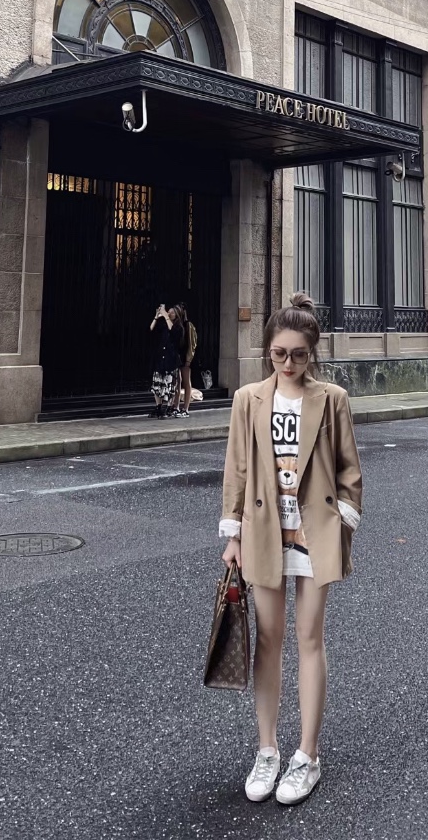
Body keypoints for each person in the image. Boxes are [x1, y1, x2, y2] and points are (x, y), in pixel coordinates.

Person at [219, 292, 363, 807]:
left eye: (298, 355)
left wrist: (343, 520)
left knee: (309, 638)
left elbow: (349, 470)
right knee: (268, 640)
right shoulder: (248, 399)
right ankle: (267, 751)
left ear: (311, 353)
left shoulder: (332, 399)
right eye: (279, 354)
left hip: (313, 532)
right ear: (268, 351)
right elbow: (237, 468)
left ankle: (307, 755)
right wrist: (233, 532)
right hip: (263, 531)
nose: (288, 364)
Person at [149, 304, 184, 418]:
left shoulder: (178, 327)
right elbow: (151, 329)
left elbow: (173, 331)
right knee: (157, 383)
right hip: (161, 358)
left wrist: (166, 316)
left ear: (177, 315)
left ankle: (169, 407)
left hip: (171, 359)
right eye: (168, 311)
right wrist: (156, 317)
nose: (169, 314)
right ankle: (158, 406)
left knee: (169, 385)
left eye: (172, 312)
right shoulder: (163, 325)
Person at [173, 303, 197, 418]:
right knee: (177, 381)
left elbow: (192, 343)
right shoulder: (175, 324)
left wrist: (189, 358)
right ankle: (176, 406)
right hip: (177, 356)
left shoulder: (188, 325)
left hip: (185, 356)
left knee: (186, 381)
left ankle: (186, 408)